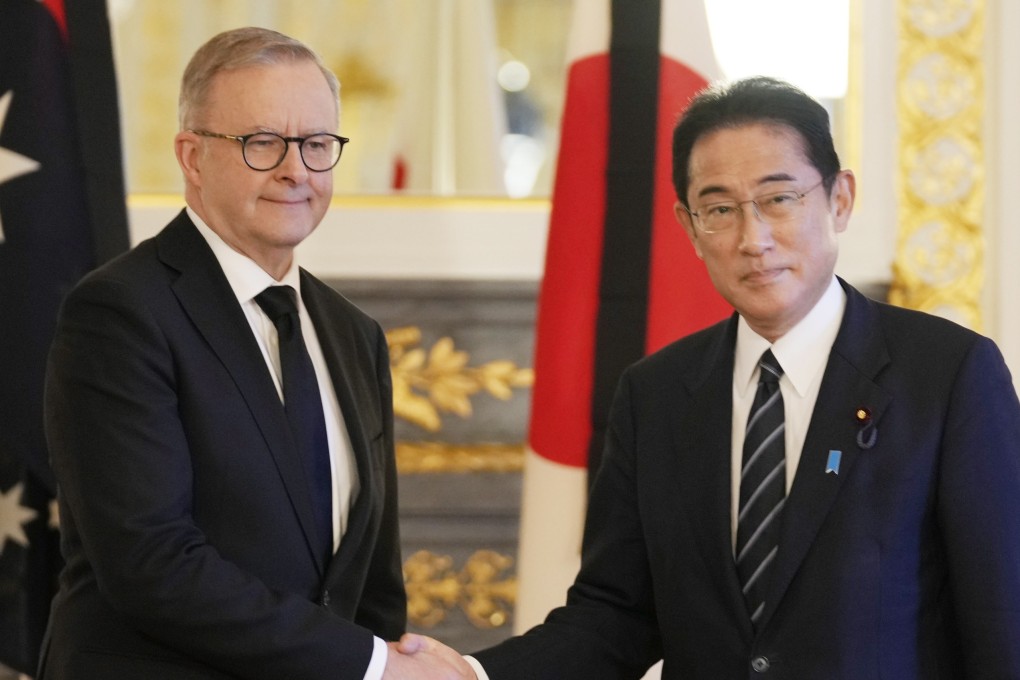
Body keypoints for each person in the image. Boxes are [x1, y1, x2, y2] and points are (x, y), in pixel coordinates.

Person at [408, 76, 1020, 677]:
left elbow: (1001, 617)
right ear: (689, 227)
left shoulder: (947, 375)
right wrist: (474, 675)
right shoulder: (655, 394)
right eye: (721, 209)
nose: (754, 239)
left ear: (839, 198)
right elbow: (616, 616)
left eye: (779, 199)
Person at [39, 27, 471, 680]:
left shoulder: (354, 333)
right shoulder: (120, 312)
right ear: (192, 156)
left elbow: (371, 578)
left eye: (316, 144)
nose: (295, 169)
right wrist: (373, 666)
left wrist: (380, 660)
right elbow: (152, 563)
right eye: (262, 143)